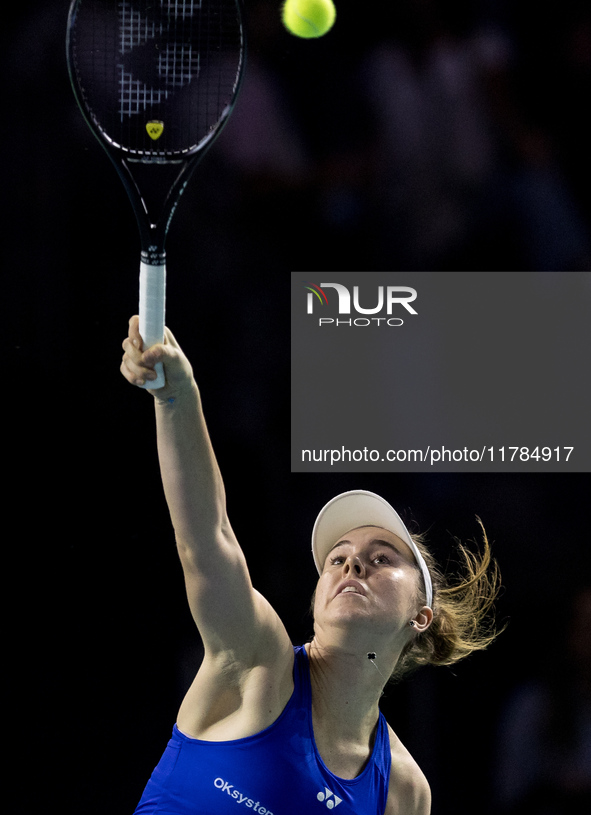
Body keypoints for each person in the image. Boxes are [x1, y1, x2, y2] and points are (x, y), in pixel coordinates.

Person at [120, 316, 503, 815]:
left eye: (380, 558)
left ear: (420, 616)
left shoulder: (404, 793)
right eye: (338, 559)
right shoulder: (257, 659)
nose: (353, 567)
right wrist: (177, 398)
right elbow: (206, 538)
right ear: (317, 600)